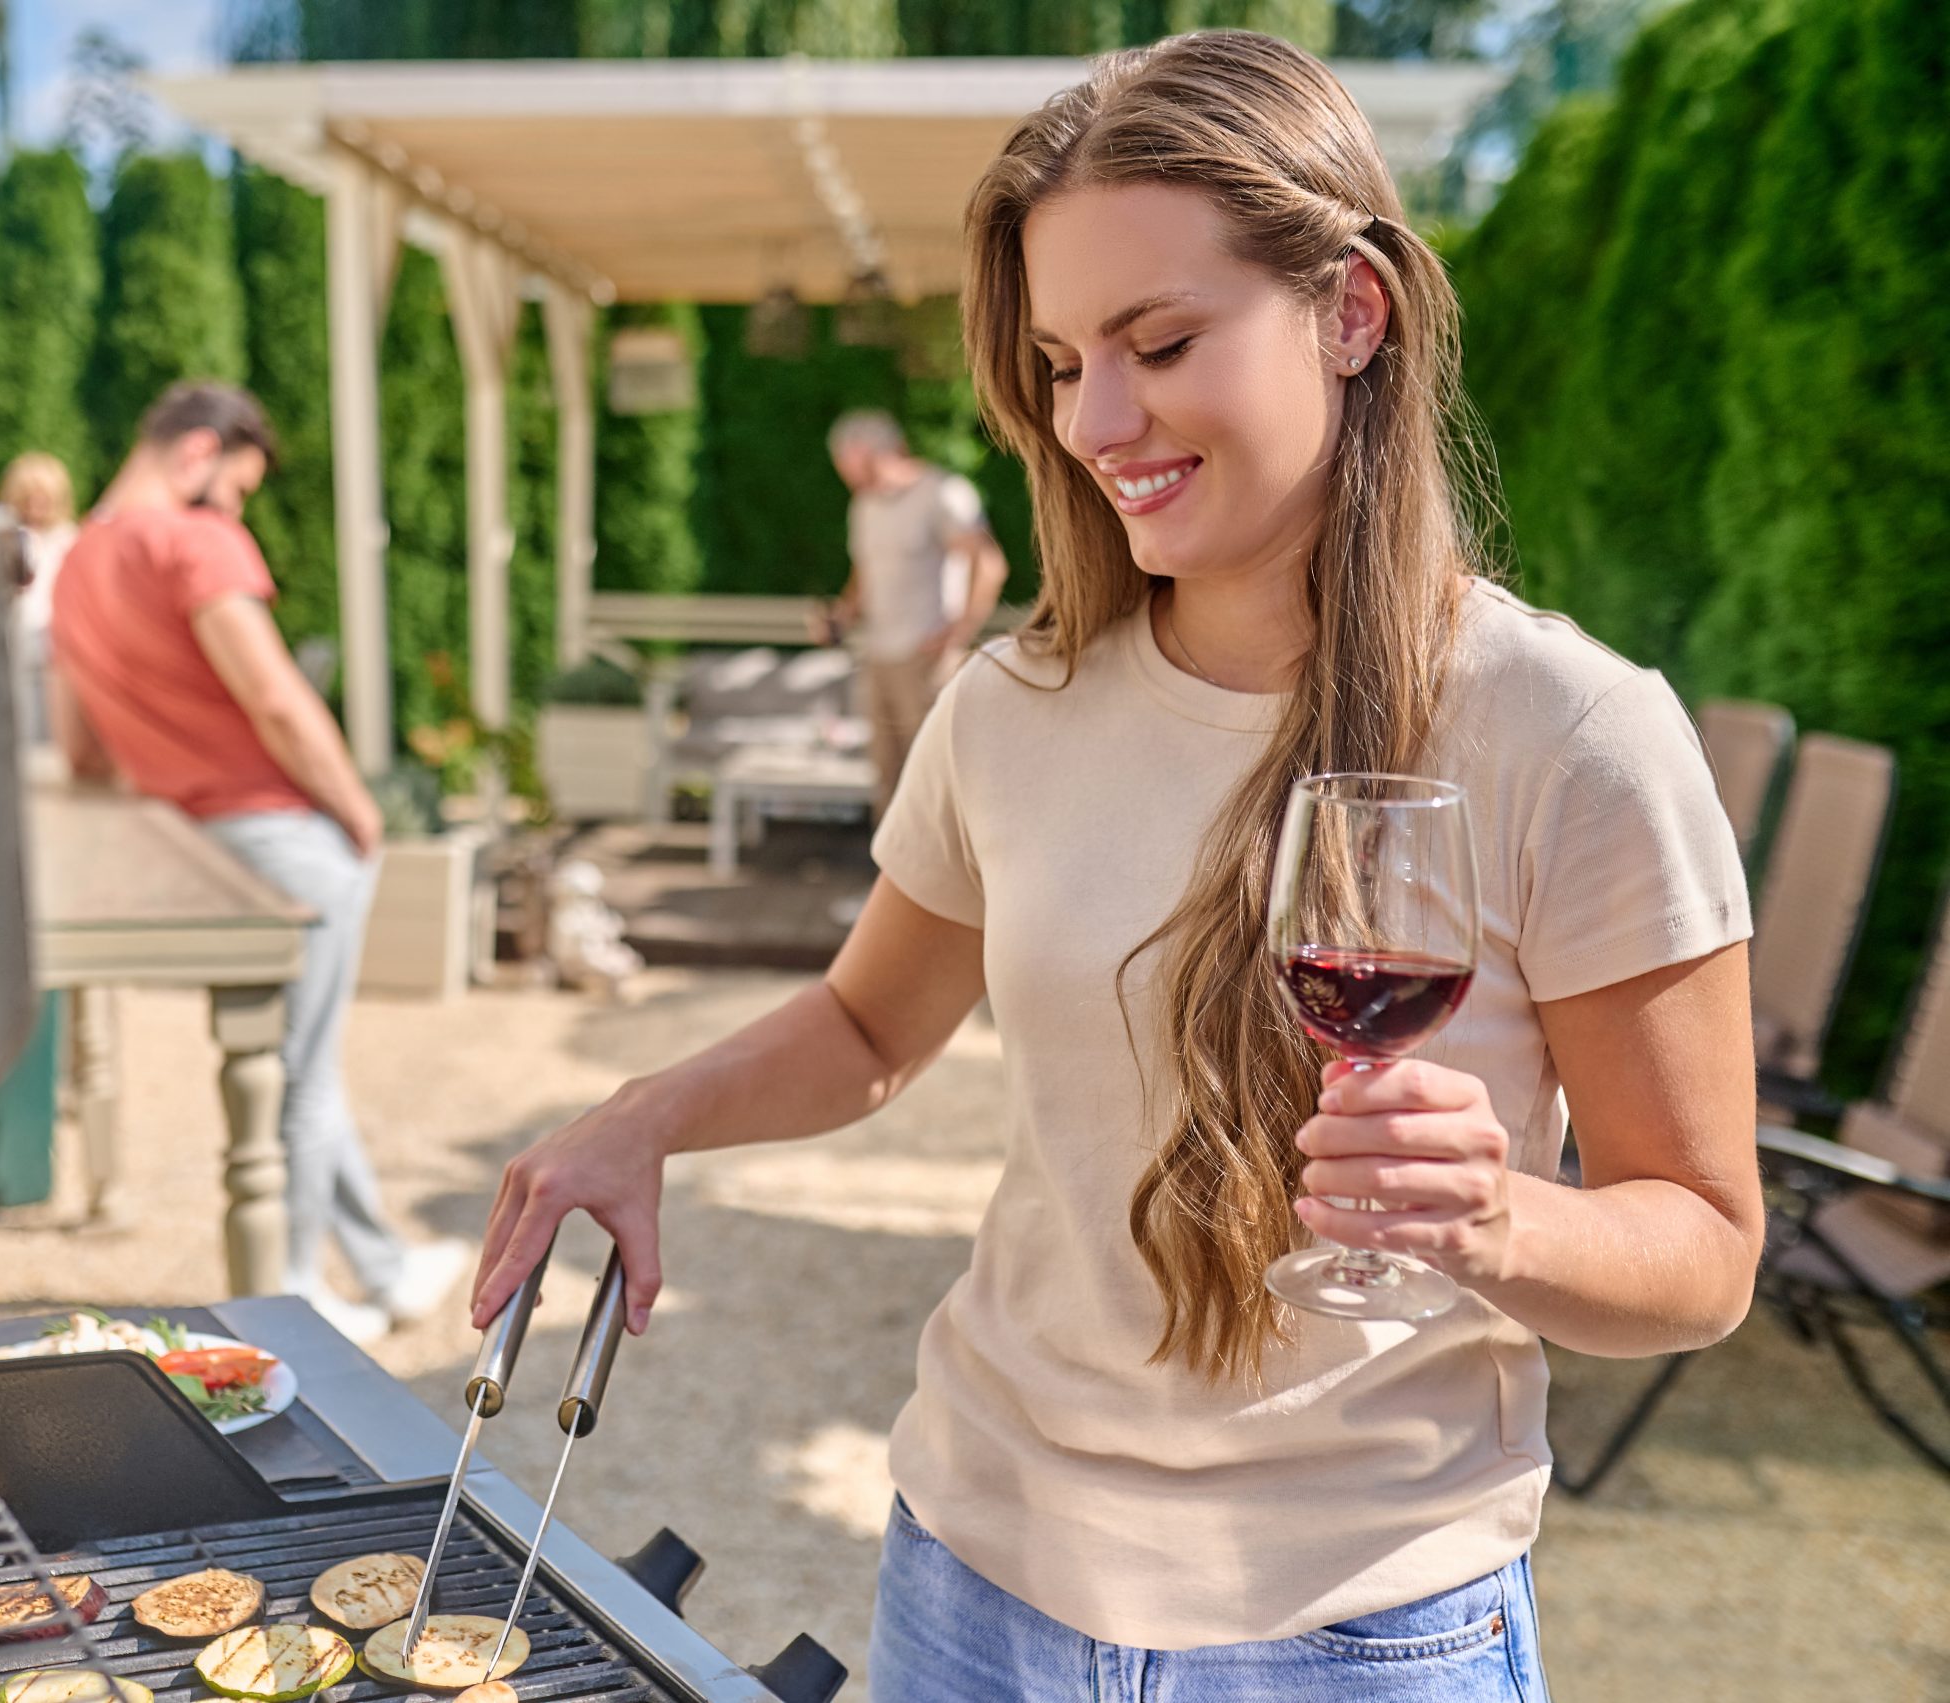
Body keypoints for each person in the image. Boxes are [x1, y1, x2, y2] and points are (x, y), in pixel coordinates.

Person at [471, 32, 1760, 1701]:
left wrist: (1494, 1218)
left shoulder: (1572, 730)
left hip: (1358, 1636)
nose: (1096, 419)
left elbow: (1704, 1247)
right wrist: (644, 1114)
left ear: (1353, 311)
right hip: (969, 1588)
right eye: (1062, 359)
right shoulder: (1012, 705)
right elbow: (868, 1028)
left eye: (1161, 343)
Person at [49, 381, 468, 1345]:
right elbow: (275, 697)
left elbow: (80, 752)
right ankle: (296, 1300)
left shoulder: (72, 566)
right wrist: (360, 811)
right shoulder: (196, 542)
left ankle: (385, 1268)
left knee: (300, 1063)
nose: (236, 512)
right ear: (199, 450)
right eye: (237, 488)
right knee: (300, 1076)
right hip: (285, 839)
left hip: (195, 848)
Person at [819, 410, 1009, 817]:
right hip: (878, 657)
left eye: (859, 467)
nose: (852, 479)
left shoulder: (942, 494)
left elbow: (989, 564)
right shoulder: (864, 505)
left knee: (934, 780)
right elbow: (865, 573)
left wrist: (959, 632)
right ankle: (888, 861)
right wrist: (842, 615)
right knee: (888, 780)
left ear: (886, 452)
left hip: (925, 659)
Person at [0, 450, 80, 745]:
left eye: (44, 497)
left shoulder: (70, 539)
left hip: (56, 647)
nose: (36, 505)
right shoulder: (6, 539)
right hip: (14, 644)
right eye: (28, 497)